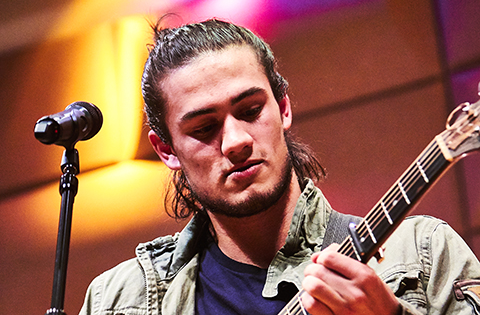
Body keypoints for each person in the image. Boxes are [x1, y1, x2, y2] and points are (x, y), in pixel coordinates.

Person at [79, 18, 480, 315]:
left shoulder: (421, 252)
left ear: (283, 107)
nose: (236, 141)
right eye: (204, 128)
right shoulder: (116, 299)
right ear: (166, 148)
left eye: (251, 110)